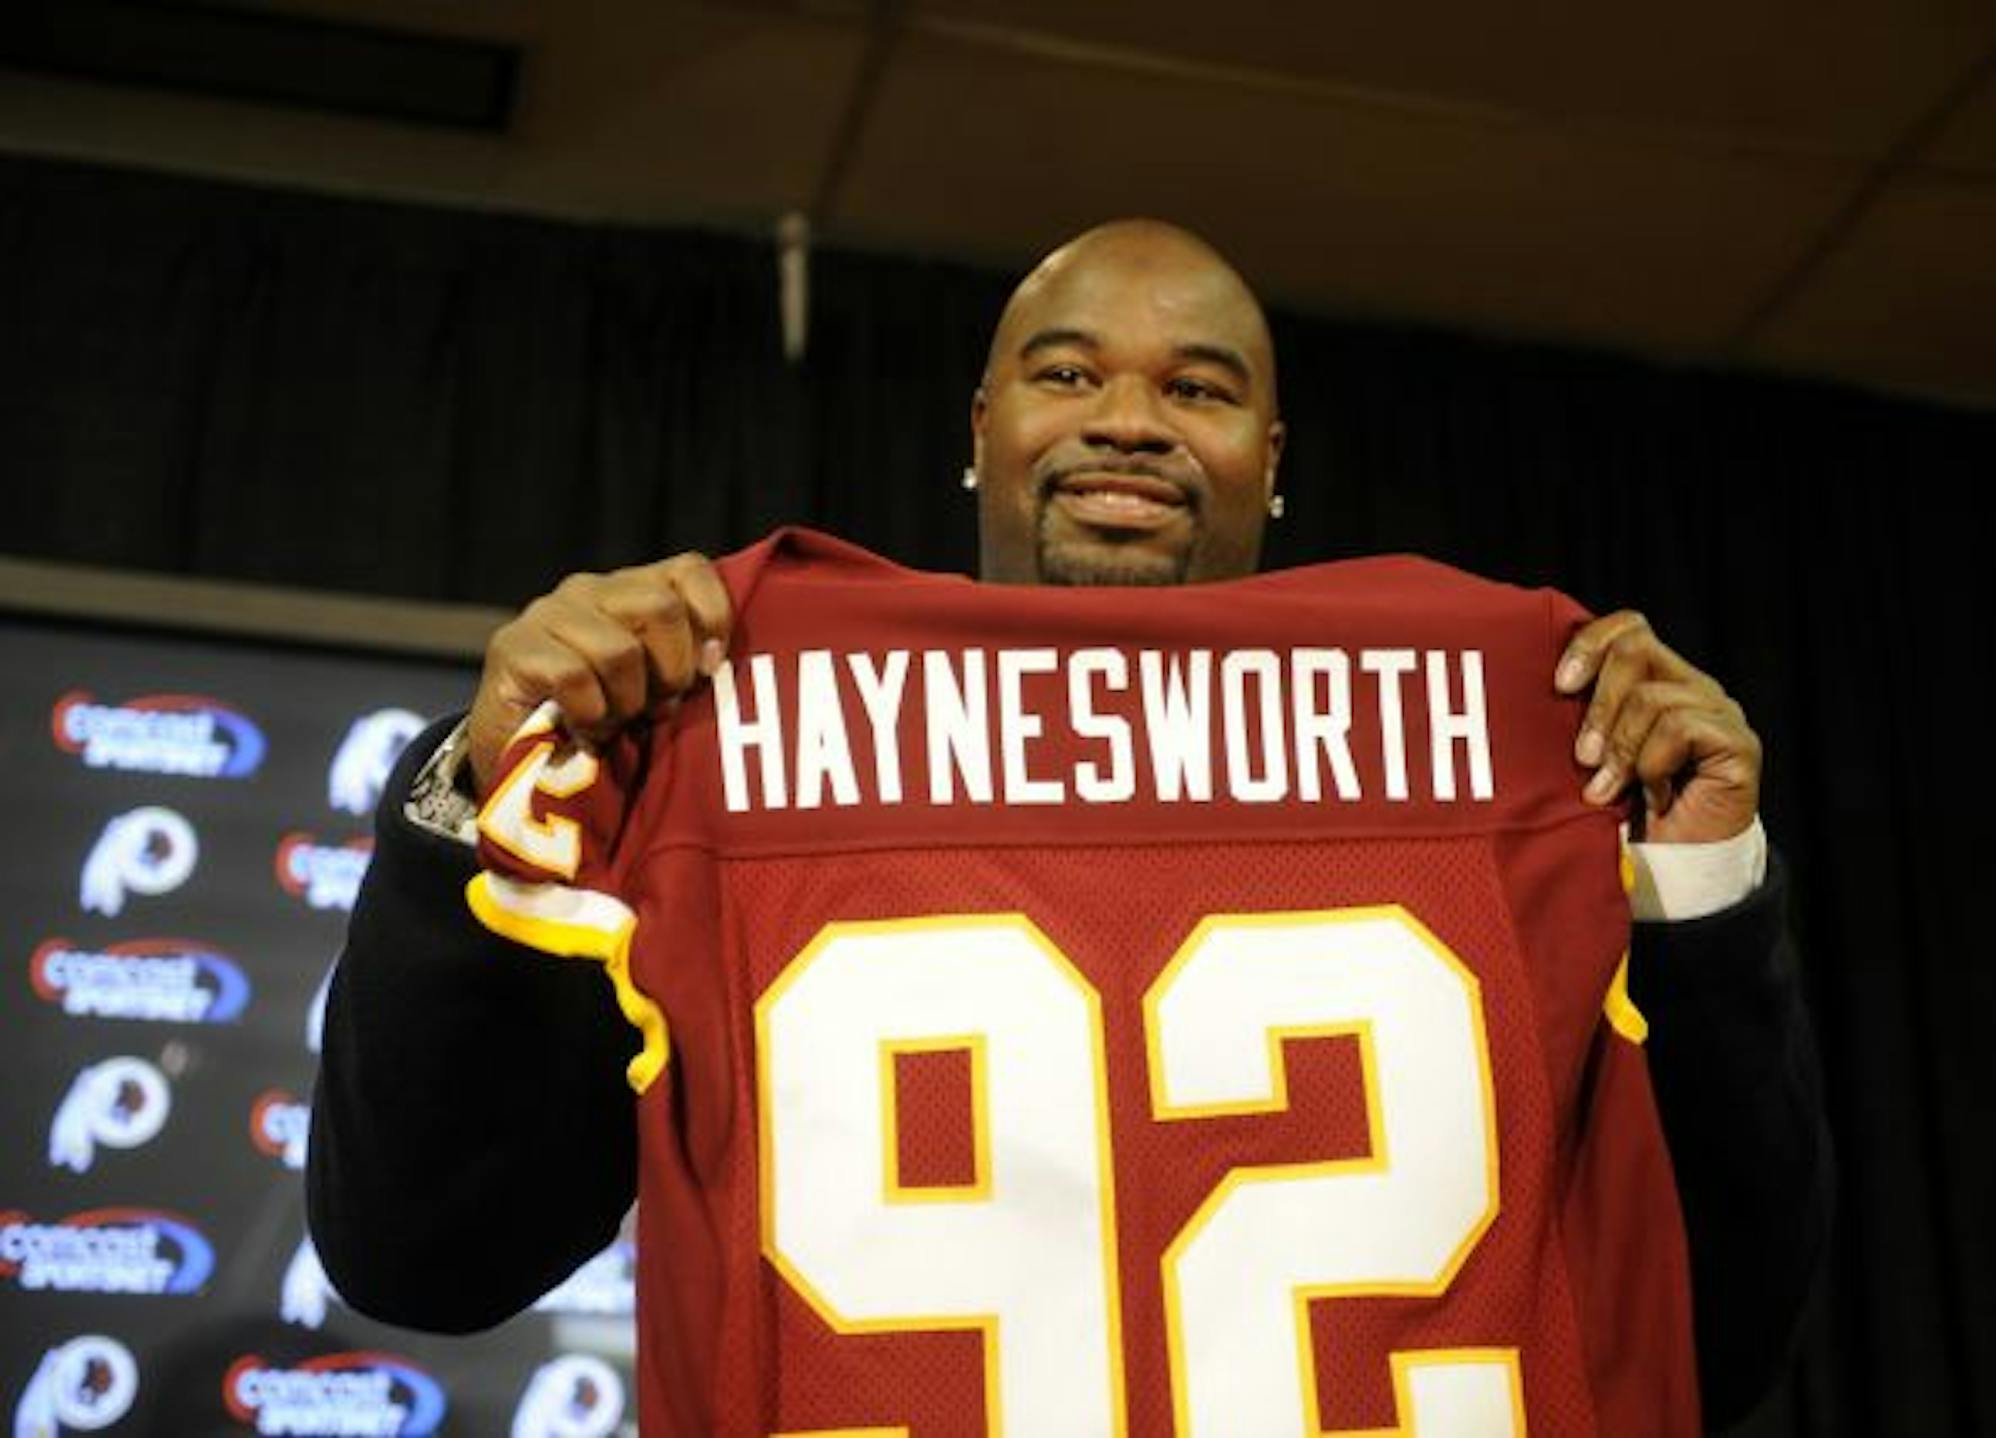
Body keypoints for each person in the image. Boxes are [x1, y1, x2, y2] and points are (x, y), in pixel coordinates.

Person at [309, 220, 1831, 1432]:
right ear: (982, 428)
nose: (1129, 423)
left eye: (1199, 388)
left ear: (1273, 461)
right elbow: (422, 1256)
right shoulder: (733, 715)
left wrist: (1699, 874)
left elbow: (1713, 1329)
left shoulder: (1510, 727)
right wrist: (487, 778)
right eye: (1068, 372)